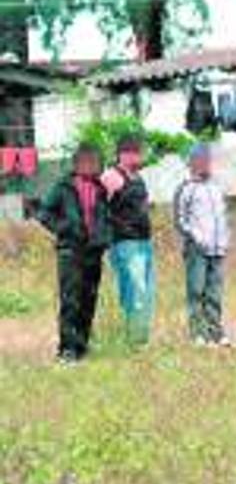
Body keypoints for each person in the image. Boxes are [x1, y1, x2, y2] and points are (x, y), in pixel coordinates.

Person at [36, 144, 111, 363]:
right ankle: (67, 350)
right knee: (71, 300)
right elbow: (43, 213)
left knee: (89, 299)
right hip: (70, 251)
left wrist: (105, 236)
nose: (90, 164)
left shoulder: (101, 188)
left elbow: (106, 216)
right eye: (86, 160)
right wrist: (63, 229)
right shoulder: (62, 186)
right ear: (77, 162)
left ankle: (82, 346)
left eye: (94, 160)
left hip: (94, 252)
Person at [100, 135, 156, 346]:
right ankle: (135, 342)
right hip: (125, 243)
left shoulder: (138, 178)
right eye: (138, 152)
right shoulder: (111, 176)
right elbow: (97, 209)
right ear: (124, 154)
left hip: (144, 242)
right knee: (135, 291)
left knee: (147, 292)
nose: (141, 156)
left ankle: (141, 337)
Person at [174, 143, 230, 346]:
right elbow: (180, 220)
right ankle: (198, 334)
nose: (206, 164)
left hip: (219, 249)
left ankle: (216, 333)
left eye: (208, 160)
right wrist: (196, 236)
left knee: (214, 293)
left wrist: (225, 238)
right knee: (196, 291)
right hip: (196, 250)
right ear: (192, 163)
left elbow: (223, 216)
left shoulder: (217, 187)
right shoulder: (185, 188)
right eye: (201, 160)